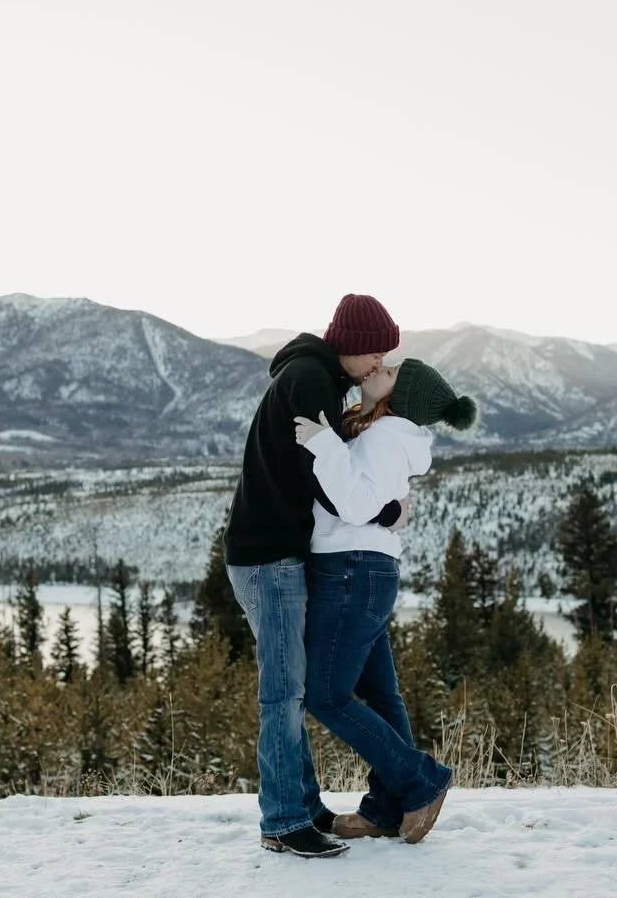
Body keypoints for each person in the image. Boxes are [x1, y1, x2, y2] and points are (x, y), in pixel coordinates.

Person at [224, 294, 406, 858]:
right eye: (374, 349)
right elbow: (327, 478)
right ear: (350, 346)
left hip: (275, 552)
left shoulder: (315, 376)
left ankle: (301, 807)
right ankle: (282, 821)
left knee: (292, 686)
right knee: (283, 692)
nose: (379, 361)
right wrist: (388, 510)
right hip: (269, 555)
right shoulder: (310, 380)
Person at [293, 358, 478, 844]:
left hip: (352, 569)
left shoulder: (384, 435)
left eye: (392, 371)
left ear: (399, 397)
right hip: (367, 571)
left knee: (326, 695)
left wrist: (322, 441)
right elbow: (370, 502)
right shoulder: (381, 431)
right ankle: (386, 808)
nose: (381, 367)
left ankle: (420, 780)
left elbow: (355, 504)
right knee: (380, 695)